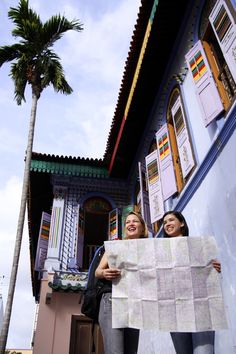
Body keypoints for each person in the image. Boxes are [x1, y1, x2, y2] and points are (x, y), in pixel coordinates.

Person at [162, 210, 221, 354]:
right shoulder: (160, 253)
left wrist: (214, 267)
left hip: (200, 308)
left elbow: (208, 272)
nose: (167, 224)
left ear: (181, 223)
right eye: (164, 223)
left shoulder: (198, 246)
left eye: (171, 220)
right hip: (175, 312)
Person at [95, 211, 148, 354]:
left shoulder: (149, 249)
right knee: (115, 351)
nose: (130, 224)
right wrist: (104, 273)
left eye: (135, 221)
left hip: (135, 304)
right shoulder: (115, 245)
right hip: (112, 300)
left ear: (142, 227)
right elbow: (97, 271)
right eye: (127, 222)